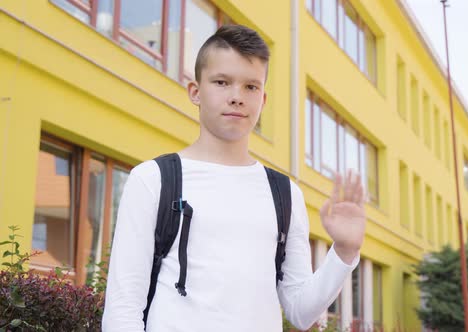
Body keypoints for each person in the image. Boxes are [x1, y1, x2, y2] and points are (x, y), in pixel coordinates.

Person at [102, 24, 366, 331]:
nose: (237, 97)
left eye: (250, 87)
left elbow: (300, 311)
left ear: (263, 100)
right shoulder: (153, 179)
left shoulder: (283, 192)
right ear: (196, 92)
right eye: (222, 82)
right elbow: (123, 308)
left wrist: (344, 251)